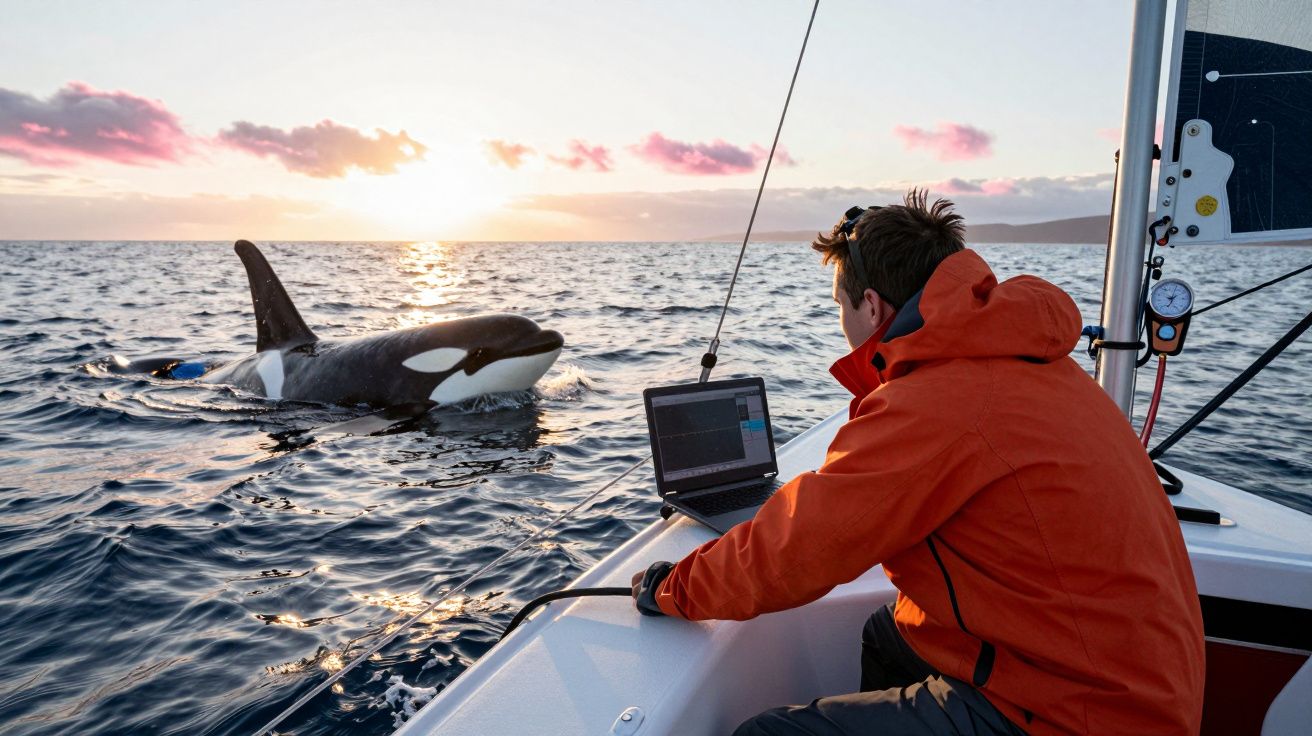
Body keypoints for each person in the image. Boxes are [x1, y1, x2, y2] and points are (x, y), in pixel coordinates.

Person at [630, 190, 1205, 735]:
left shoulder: (942, 398)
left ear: (872, 305)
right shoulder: (1029, 360)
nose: (840, 321)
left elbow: (798, 548)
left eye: (840, 305)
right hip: (1128, 680)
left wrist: (673, 587)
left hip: (1073, 712)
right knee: (890, 633)